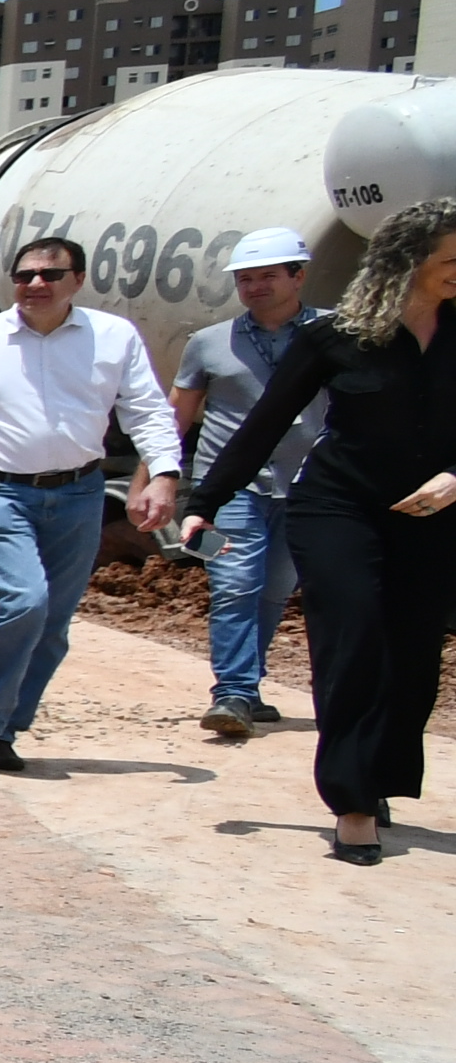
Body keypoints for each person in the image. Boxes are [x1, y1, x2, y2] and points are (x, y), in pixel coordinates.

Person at [181, 197, 456, 865]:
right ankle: (354, 800)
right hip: (338, 508)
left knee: (414, 660)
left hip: (434, 514)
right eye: (450, 258)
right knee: (352, 638)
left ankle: (378, 770)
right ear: (410, 260)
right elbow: (266, 423)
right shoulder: (339, 337)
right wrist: (205, 500)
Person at [0, 233, 184, 782]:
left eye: (50, 275)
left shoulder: (114, 337)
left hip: (79, 494)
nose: (35, 285)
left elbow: (147, 411)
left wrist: (163, 475)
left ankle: (3, 731)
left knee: (52, 622)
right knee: (24, 601)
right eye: (24, 276)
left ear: (78, 280)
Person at [173, 231, 327, 741]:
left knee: (275, 589)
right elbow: (178, 416)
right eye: (245, 279)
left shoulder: (335, 334)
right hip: (229, 490)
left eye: (267, 276)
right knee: (235, 583)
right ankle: (233, 692)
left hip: (309, 486)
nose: (255, 286)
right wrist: (154, 479)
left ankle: (249, 688)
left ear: (297, 276)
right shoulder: (209, 343)